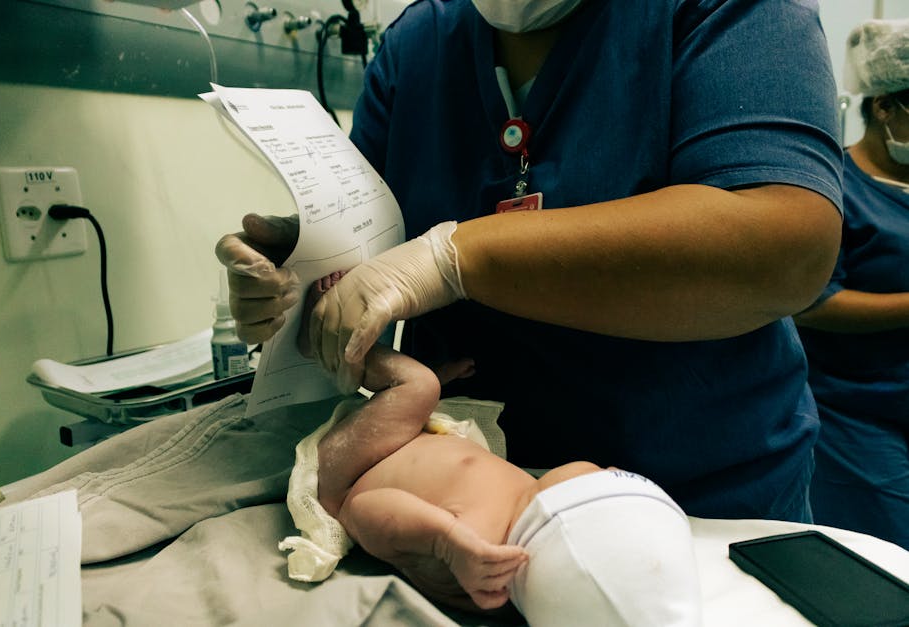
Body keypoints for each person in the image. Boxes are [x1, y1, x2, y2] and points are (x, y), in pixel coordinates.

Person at [217, 0, 844, 521]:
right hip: (458, 492)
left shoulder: (726, 13)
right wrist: (302, 277)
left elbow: (783, 245)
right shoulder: (419, 45)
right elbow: (375, 239)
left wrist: (456, 258)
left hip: (701, 494)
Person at [281, 275, 702, 626]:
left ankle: (328, 338)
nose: (610, 467)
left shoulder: (476, 549)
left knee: (419, 388)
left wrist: (442, 542)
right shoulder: (525, 512)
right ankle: (408, 385)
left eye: (601, 477)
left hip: (348, 473)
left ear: (569, 527)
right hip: (417, 440)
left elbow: (361, 510)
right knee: (443, 404)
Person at [794, 19, 909, 550]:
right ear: (884, 106)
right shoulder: (834, 188)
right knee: (888, 551)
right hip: (856, 411)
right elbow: (810, 302)